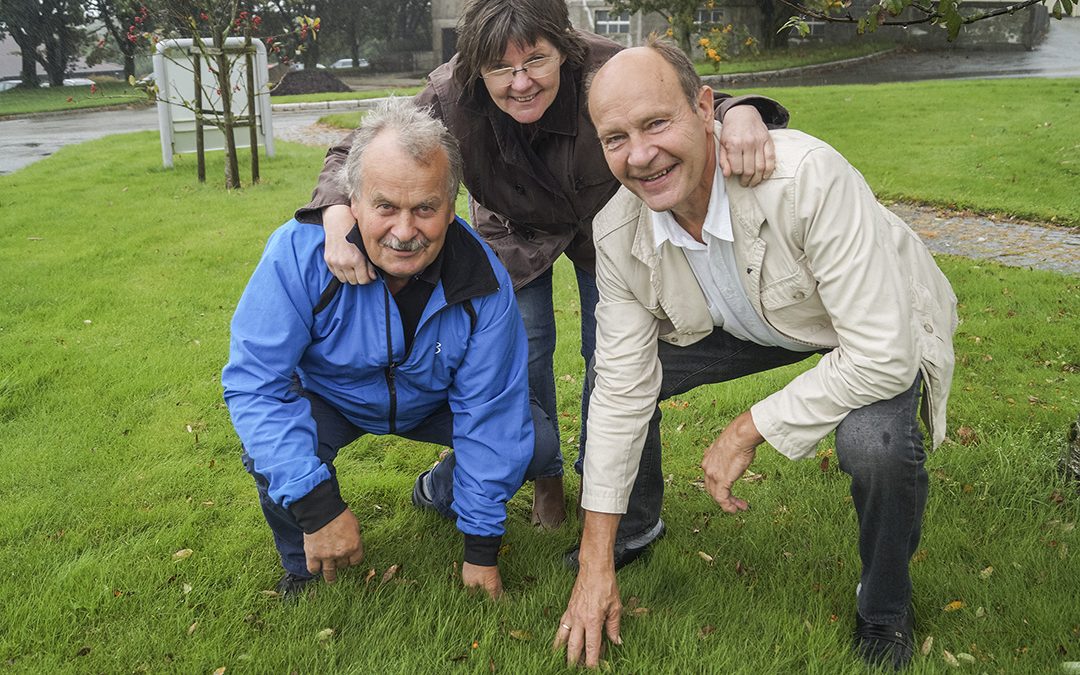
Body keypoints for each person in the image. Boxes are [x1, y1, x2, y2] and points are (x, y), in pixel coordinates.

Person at [295, 0, 791, 529]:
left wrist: (739, 112)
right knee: (523, 351)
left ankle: (614, 501)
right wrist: (335, 213)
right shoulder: (449, 93)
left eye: (535, 60)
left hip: (606, 226)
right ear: (477, 67)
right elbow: (353, 153)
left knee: (614, 358)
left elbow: (685, 103)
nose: (521, 83)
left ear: (564, 48)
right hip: (514, 229)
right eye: (501, 69)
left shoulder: (604, 66)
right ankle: (545, 478)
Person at [553, 39, 958, 670]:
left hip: (870, 325)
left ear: (704, 109)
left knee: (874, 443)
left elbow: (881, 355)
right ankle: (631, 530)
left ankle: (884, 606)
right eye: (615, 138)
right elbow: (620, 392)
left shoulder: (807, 178)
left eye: (656, 123)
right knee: (618, 380)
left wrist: (748, 429)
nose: (640, 155)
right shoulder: (616, 232)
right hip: (750, 322)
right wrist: (594, 562)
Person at [222, 98, 560, 600]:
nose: (404, 232)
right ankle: (304, 566)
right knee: (269, 446)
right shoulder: (298, 253)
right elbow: (256, 385)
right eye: (385, 207)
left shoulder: (484, 280)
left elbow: (491, 415)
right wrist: (317, 508)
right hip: (332, 399)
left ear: (451, 209)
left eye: (425, 208)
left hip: (433, 402)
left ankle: (439, 491)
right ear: (352, 201)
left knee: (536, 442)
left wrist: (481, 549)